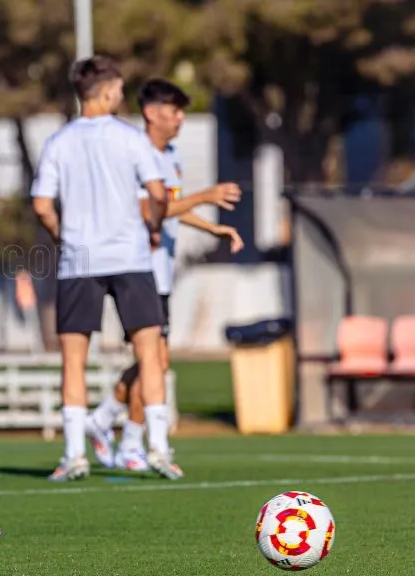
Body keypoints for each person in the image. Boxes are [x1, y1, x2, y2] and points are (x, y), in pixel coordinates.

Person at [30, 54, 179, 482]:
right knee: (149, 354)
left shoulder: (59, 141)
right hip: (131, 259)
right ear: (110, 92)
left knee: (73, 361)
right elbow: (158, 191)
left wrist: (63, 234)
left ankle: (75, 454)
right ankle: (159, 449)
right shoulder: (131, 138)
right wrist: (151, 224)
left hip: (79, 262)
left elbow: (42, 204)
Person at [84, 78, 245, 473]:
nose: (179, 119)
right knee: (154, 358)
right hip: (138, 270)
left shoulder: (170, 154)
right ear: (151, 113)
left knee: (154, 360)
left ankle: (104, 420)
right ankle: (132, 441)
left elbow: (172, 206)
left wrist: (212, 227)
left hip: (162, 273)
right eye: (173, 111)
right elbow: (148, 210)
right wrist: (205, 197)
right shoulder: (135, 153)